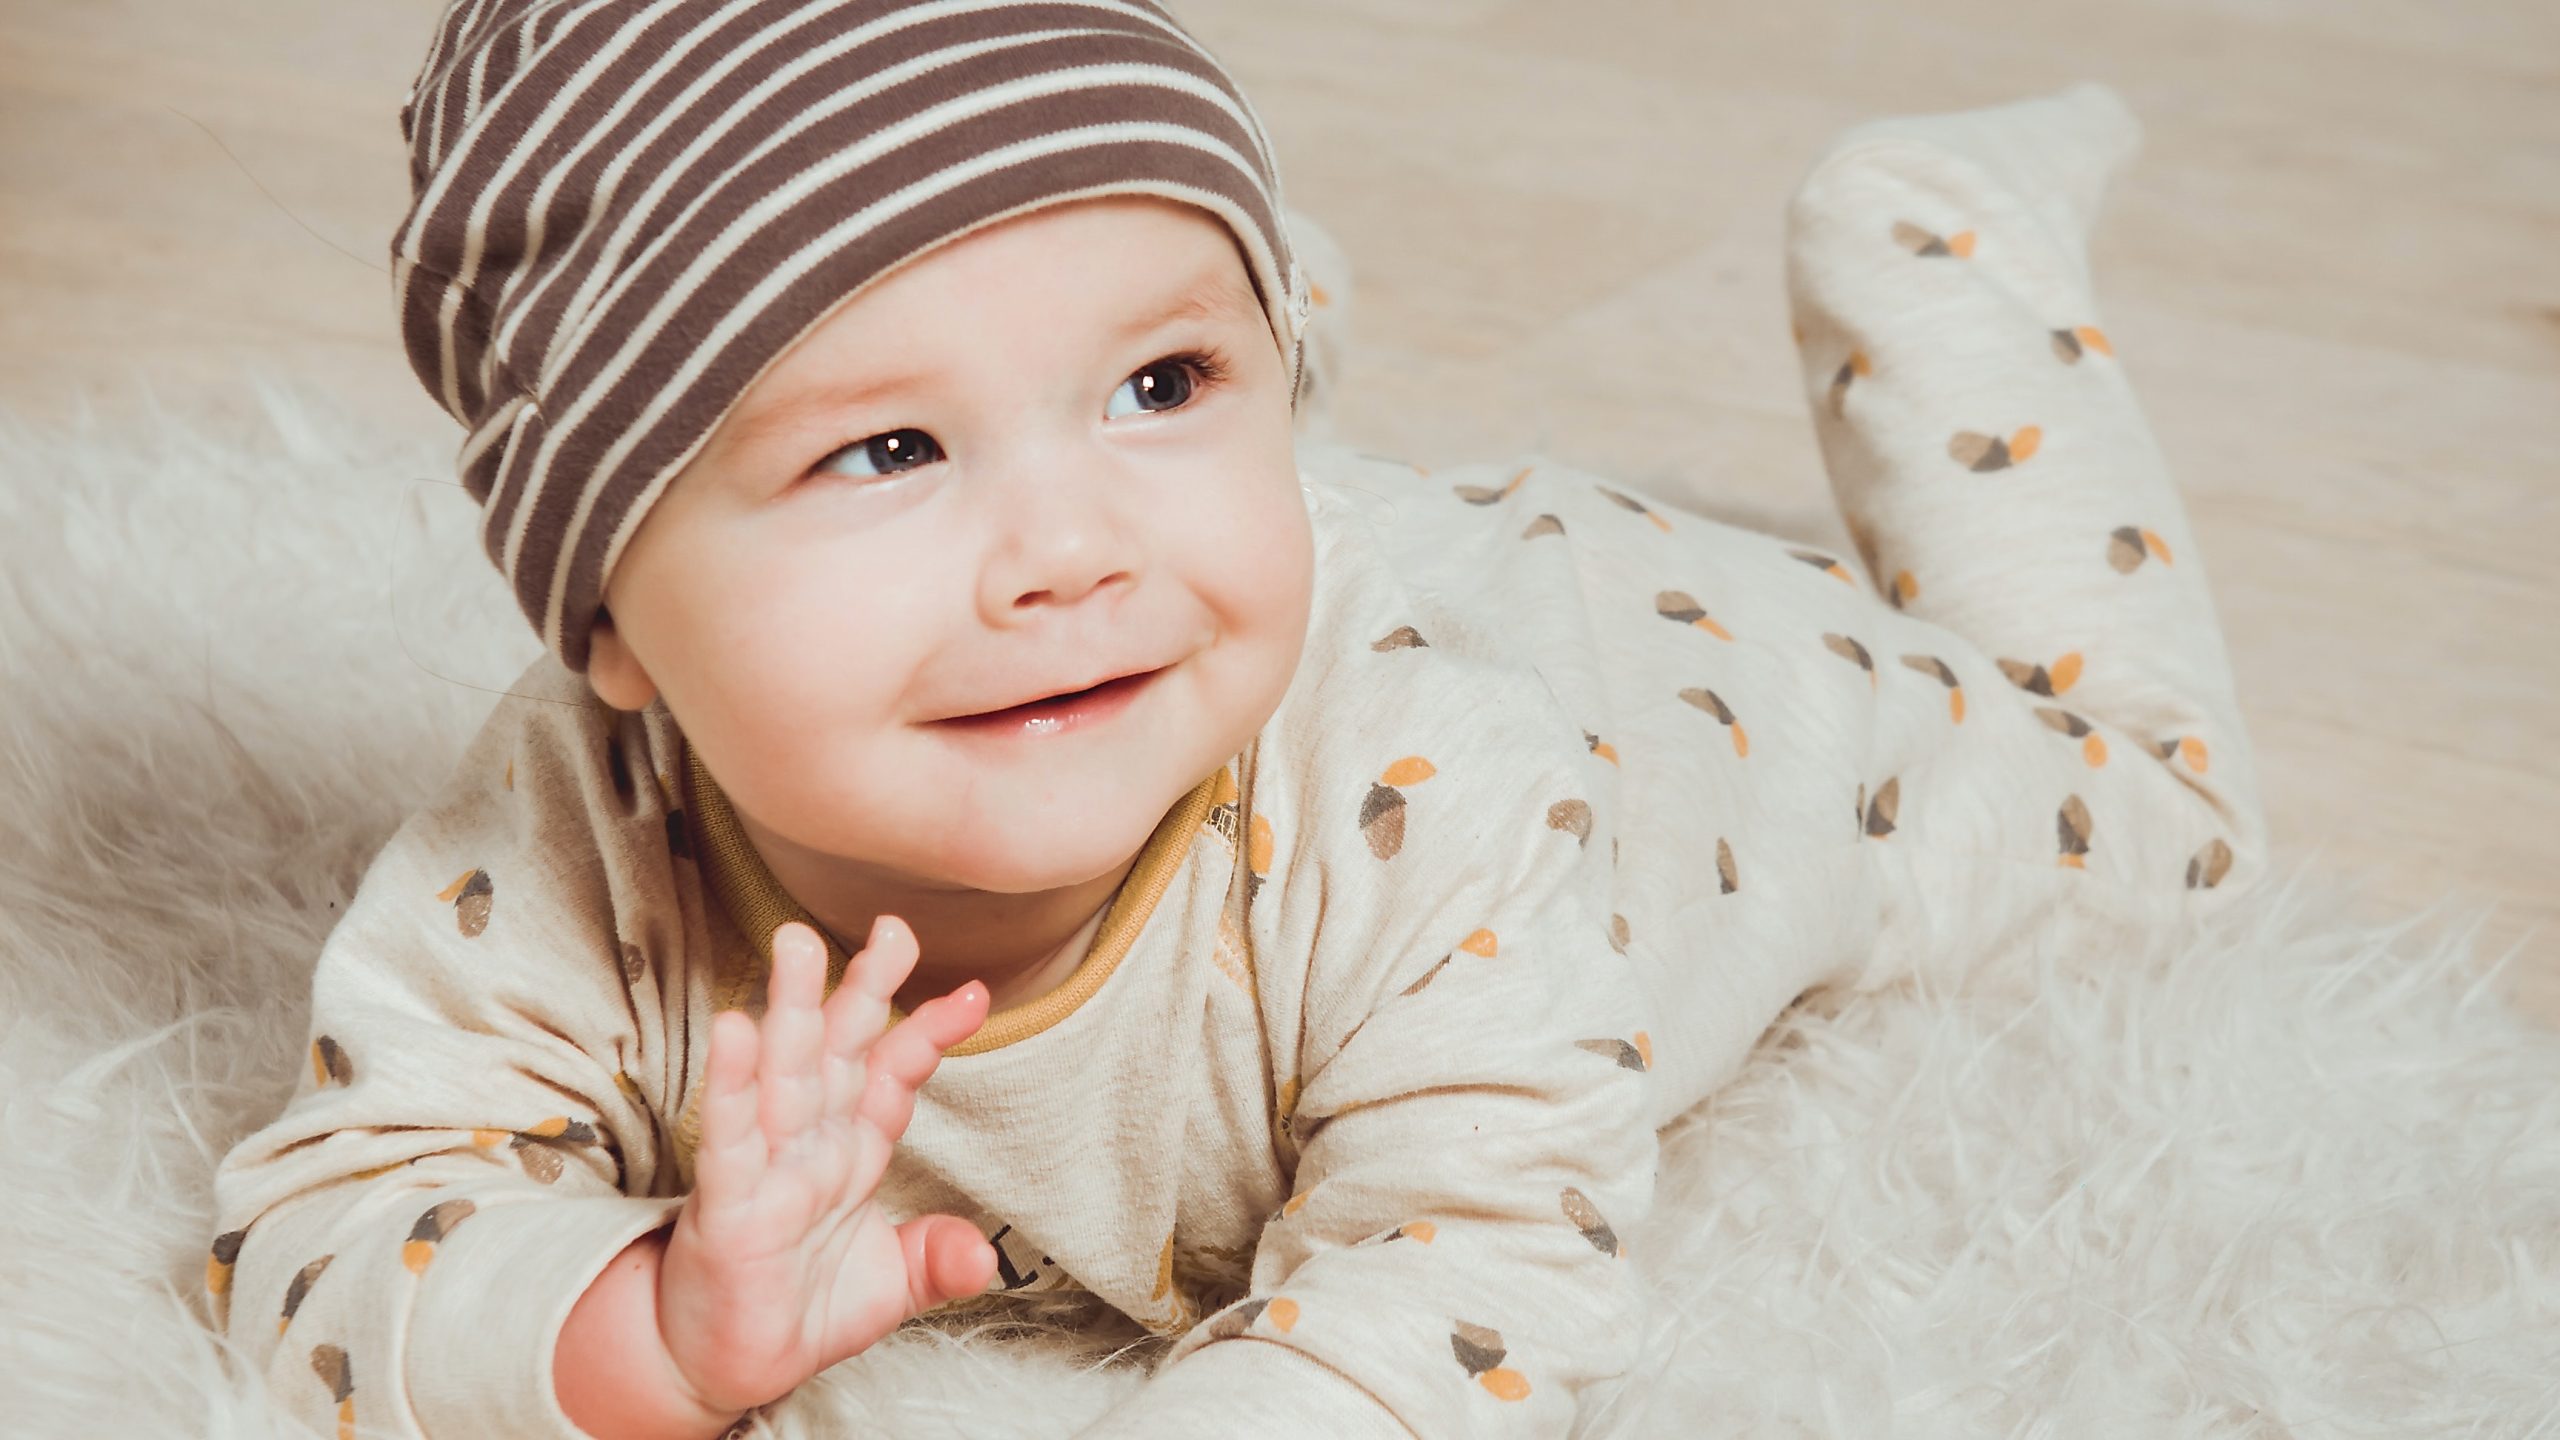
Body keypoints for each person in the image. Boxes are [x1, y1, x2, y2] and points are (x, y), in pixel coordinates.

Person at [204, 2, 2266, 1435]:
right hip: (1282, 576)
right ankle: (1239, 343)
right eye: (888, 448)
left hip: (1666, 678)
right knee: (1183, 509)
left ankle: (1931, 246)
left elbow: (1465, 1266)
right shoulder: (570, 843)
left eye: (1160, 383)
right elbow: (327, 1240)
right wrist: (646, 1325)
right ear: (606, 618)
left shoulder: (1440, 799)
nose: (1063, 553)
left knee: (2159, 816)